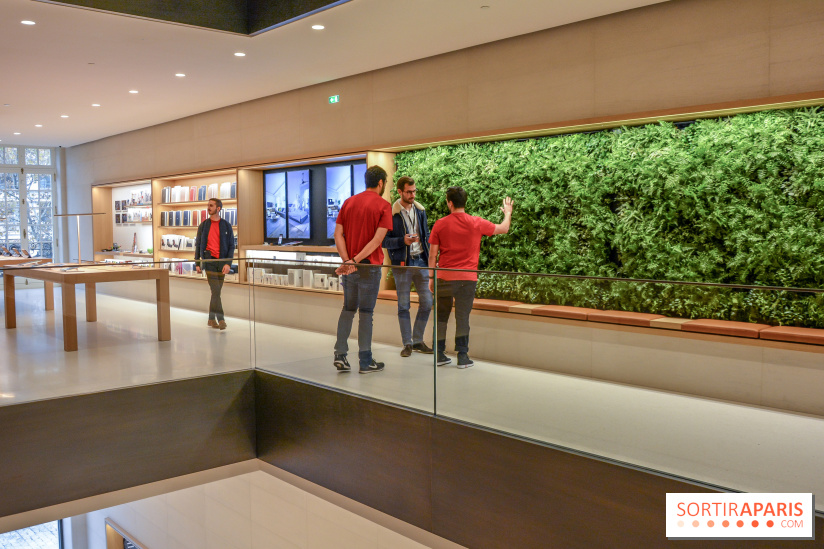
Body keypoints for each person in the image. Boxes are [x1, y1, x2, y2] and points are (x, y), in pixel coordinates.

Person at [428, 187, 513, 368]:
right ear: (464, 202)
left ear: (450, 203)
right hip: (467, 279)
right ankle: (462, 356)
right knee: (462, 317)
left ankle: (439, 354)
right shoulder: (476, 222)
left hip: (443, 277)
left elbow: (432, 255)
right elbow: (504, 228)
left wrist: (430, 277)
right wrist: (507, 213)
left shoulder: (440, 224)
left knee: (441, 317)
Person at [333, 165, 393, 374]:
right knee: (366, 313)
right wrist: (355, 261)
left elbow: (338, 234)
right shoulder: (384, 205)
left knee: (348, 309)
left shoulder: (348, 202)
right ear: (381, 183)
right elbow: (377, 241)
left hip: (350, 268)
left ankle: (340, 355)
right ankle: (365, 361)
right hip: (369, 267)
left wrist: (347, 261)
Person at [383, 176, 434, 357]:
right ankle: (407, 343)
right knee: (403, 305)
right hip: (402, 264)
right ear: (400, 192)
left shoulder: (420, 210)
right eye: (409, 192)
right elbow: (384, 241)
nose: (413, 195)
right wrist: (402, 241)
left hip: (421, 261)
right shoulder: (391, 213)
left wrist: (429, 254)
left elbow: (426, 235)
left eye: (414, 191)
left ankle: (418, 340)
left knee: (427, 302)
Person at [194, 198, 235, 330]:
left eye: (211, 205)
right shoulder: (203, 225)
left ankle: (211, 319)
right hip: (209, 262)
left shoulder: (226, 225)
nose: (208, 207)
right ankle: (221, 319)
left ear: (218, 208)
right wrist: (197, 262)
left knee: (216, 292)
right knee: (216, 290)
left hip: (222, 263)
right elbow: (198, 245)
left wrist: (228, 264)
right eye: (208, 205)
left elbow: (231, 246)